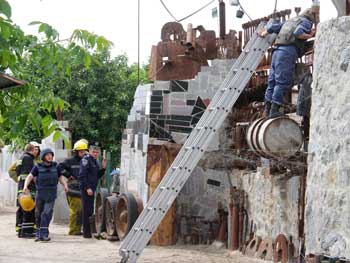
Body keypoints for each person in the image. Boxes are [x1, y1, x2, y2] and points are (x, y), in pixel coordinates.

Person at [259, 8, 316, 118]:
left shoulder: (291, 21)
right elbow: (298, 32)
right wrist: (310, 36)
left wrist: (264, 33)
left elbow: (272, 27)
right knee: (282, 82)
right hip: (287, 52)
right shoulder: (306, 22)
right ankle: (274, 111)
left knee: (272, 82)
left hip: (276, 52)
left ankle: (267, 109)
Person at [23, 148, 68, 242]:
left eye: (51, 155)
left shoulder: (56, 166)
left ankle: (44, 234)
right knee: (38, 213)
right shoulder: (37, 166)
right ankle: (39, 233)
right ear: (43, 157)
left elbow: (60, 176)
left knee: (47, 213)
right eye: (48, 155)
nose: (50, 156)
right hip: (40, 193)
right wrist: (25, 186)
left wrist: (65, 184)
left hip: (51, 193)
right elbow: (30, 176)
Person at [58, 139, 88, 235]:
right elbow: (59, 167)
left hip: (83, 187)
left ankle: (78, 229)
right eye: (81, 151)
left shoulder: (86, 161)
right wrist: (68, 175)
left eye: (84, 151)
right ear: (76, 151)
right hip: (73, 188)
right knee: (76, 210)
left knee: (82, 210)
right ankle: (73, 230)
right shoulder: (70, 161)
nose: (83, 153)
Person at [78, 142, 106, 238]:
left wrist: (103, 169)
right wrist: (87, 188)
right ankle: (86, 233)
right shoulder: (86, 160)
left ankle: (89, 231)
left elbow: (96, 176)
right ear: (89, 151)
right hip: (87, 189)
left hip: (92, 188)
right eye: (93, 152)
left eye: (97, 152)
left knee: (90, 210)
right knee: (87, 210)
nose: (95, 153)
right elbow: (82, 176)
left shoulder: (94, 161)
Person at [15, 144, 36, 238]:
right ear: (31, 150)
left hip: (21, 186)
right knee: (28, 208)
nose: (36, 152)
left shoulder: (21, 158)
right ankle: (27, 231)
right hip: (27, 187)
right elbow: (29, 174)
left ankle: (20, 230)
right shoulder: (28, 158)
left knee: (22, 208)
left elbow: (17, 172)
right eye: (35, 150)